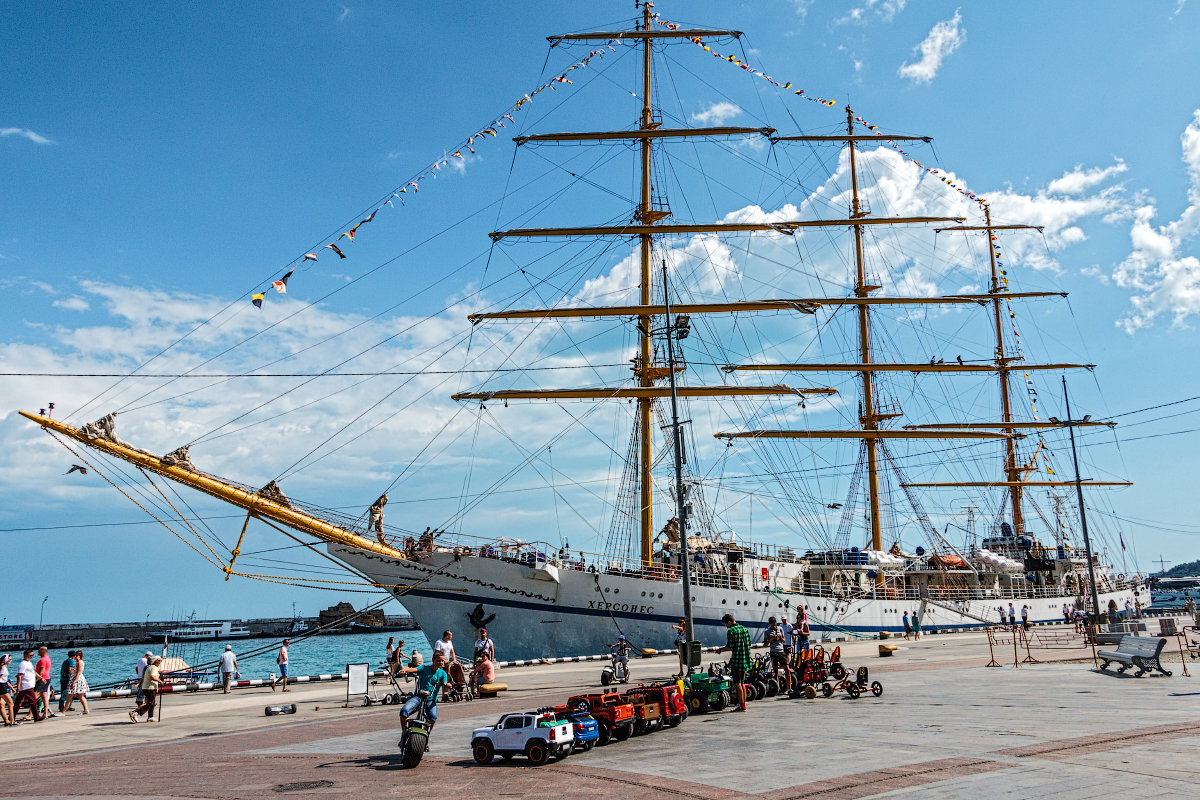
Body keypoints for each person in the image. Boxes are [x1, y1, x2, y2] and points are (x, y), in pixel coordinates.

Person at [396, 649, 449, 739]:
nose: (441, 662)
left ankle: (425, 738)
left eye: (442, 660)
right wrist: (404, 670)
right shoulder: (424, 668)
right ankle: (404, 733)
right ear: (433, 660)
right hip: (418, 697)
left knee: (432, 718)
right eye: (438, 660)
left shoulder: (443, 673)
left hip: (431, 700)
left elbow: (445, 684)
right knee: (404, 711)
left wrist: (447, 685)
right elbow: (412, 669)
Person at [717, 614, 751, 712]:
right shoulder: (744, 629)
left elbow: (730, 646)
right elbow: (749, 644)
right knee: (742, 682)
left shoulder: (731, 631)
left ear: (729, 622)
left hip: (737, 660)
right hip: (745, 659)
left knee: (737, 683)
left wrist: (720, 650)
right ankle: (743, 703)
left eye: (726, 624)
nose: (726, 626)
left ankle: (741, 705)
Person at [130, 656, 162, 722]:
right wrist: (160, 681)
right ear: (156, 662)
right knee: (150, 702)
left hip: (147, 687)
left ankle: (151, 717)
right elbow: (152, 676)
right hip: (150, 687)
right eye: (159, 661)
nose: (160, 663)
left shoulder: (150, 667)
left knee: (152, 702)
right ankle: (135, 713)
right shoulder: (154, 667)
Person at [765, 617, 791, 692]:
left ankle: (789, 687)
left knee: (787, 668)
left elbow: (784, 640)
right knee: (775, 670)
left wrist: (780, 637)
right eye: (772, 625)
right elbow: (765, 644)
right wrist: (771, 639)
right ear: (770, 624)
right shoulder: (767, 631)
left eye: (775, 625)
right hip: (773, 652)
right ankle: (778, 688)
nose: (774, 627)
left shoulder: (780, 629)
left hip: (781, 651)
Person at [12, 650, 38, 723]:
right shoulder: (22, 664)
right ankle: (36, 716)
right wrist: (18, 687)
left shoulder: (29, 663)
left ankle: (12, 716)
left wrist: (39, 678)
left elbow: (33, 672)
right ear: (25, 655)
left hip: (28, 684)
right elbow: (19, 676)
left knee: (18, 702)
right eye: (30, 655)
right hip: (26, 685)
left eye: (32, 655)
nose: (31, 657)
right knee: (33, 701)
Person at [62, 650, 89, 714]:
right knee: (79, 695)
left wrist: (74, 682)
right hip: (77, 679)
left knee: (70, 696)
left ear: (80, 656)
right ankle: (86, 709)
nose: (75, 657)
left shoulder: (79, 663)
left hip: (77, 680)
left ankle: (63, 711)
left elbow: (78, 672)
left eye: (77, 655)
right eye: (75, 655)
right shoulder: (79, 662)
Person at [34, 646, 54, 719]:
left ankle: (31, 714)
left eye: (39, 650)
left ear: (43, 651)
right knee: (44, 696)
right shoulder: (48, 658)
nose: (38, 652)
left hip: (42, 679)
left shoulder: (42, 660)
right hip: (47, 678)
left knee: (34, 697)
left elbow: (41, 671)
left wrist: (37, 679)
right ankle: (45, 713)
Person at [0, 655, 14, 726]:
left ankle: (6, 721)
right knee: (10, 704)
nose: (11, 660)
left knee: (1, 704)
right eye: (10, 659)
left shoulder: (3, 668)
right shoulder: (3, 669)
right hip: (1, 687)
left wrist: (11, 688)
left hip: (3, 685)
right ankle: (12, 721)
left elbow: (5, 680)